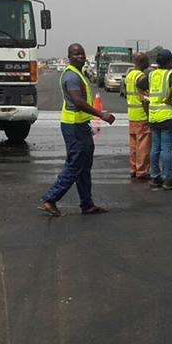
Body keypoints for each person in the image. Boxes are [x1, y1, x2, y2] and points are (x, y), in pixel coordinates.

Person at [38, 43, 115, 216]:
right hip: (74, 126)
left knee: (84, 165)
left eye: (81, 53)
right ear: (69, 57)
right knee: (75, 164)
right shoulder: (72, 76)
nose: (80, 57)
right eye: (75, 54)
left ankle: (87, 204)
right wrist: (101, 115)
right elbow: (78, 101)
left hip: (80, 125)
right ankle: (50, 199)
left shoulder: (78, 74)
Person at [148, 49, 172, 190]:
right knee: (166, 149)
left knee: (155, 148)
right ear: (168, 62)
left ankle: (155, 177)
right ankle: (168, 179)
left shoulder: (151, 74)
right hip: (167, 115)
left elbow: (142, 88)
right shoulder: (170, 74)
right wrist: (168, 99)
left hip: (153, 115)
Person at [124, 52, 151, 180]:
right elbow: (144, 97)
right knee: (143, 145)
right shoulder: (141, 77)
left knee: (134, 144)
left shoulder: (129, 76)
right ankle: (142, 171)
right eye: (146, 60)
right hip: (141, 113)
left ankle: (133, 168)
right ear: (141, 62)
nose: (149, 63)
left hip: (132, 114)